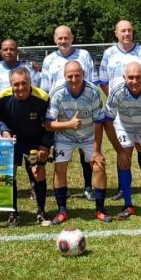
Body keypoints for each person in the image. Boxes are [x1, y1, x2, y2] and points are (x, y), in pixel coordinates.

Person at [45, 61, 111, 225]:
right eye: (70, 76)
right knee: (60, 169)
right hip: (64, 136)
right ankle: (62, 210)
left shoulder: (93, 92)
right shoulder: (57, 93)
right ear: (64, 76)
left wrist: (97, 151)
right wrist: (69, 124)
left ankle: (100, 210)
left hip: (88, 135)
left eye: (77, 75)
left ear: (83, 75)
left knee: (99, 166)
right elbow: (48, 124)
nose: (74, 79)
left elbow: (99, 122)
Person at [40, 25, 97, 200]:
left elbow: (92, 82)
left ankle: (88, 187)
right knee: (61, 151)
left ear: (72, 38)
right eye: (60, 38)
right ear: (55, 39)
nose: (63, 41)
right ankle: (62, 189)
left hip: (82, 107)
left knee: (85, 151)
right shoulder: (49, 60)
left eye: (66, 37)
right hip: (58, 110)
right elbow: (45, 88)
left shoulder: (84, 55)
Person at [103, 62, 141, 219]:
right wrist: (119, 151)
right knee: (124, 161)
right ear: (124, 77)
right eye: (130, 78)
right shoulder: (116, 91)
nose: (134, 81)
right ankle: (128, 205)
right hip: (125, 127)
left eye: (138, 77)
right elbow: (107, 121)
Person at [0, 68, 54, 226]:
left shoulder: (43, 98)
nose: (20, 87)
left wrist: (45, 145)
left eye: (24, 83)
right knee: (10, 174)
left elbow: (49, 123)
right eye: (16, 84)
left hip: (34, 140)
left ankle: (41, 212)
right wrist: (5, 131)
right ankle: (13, 213)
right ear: (11, 84)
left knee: (38, 172)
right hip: (13, 141)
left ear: (30, 82)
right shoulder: (2, 98)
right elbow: (0, 119)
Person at [97, 20, 141, 95]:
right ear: (116, 34)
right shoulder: (108, 53)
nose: (127, 33)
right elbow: (103, 82)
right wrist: (113, 98)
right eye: (123, 31)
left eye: (129, 30)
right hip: (117, 101)